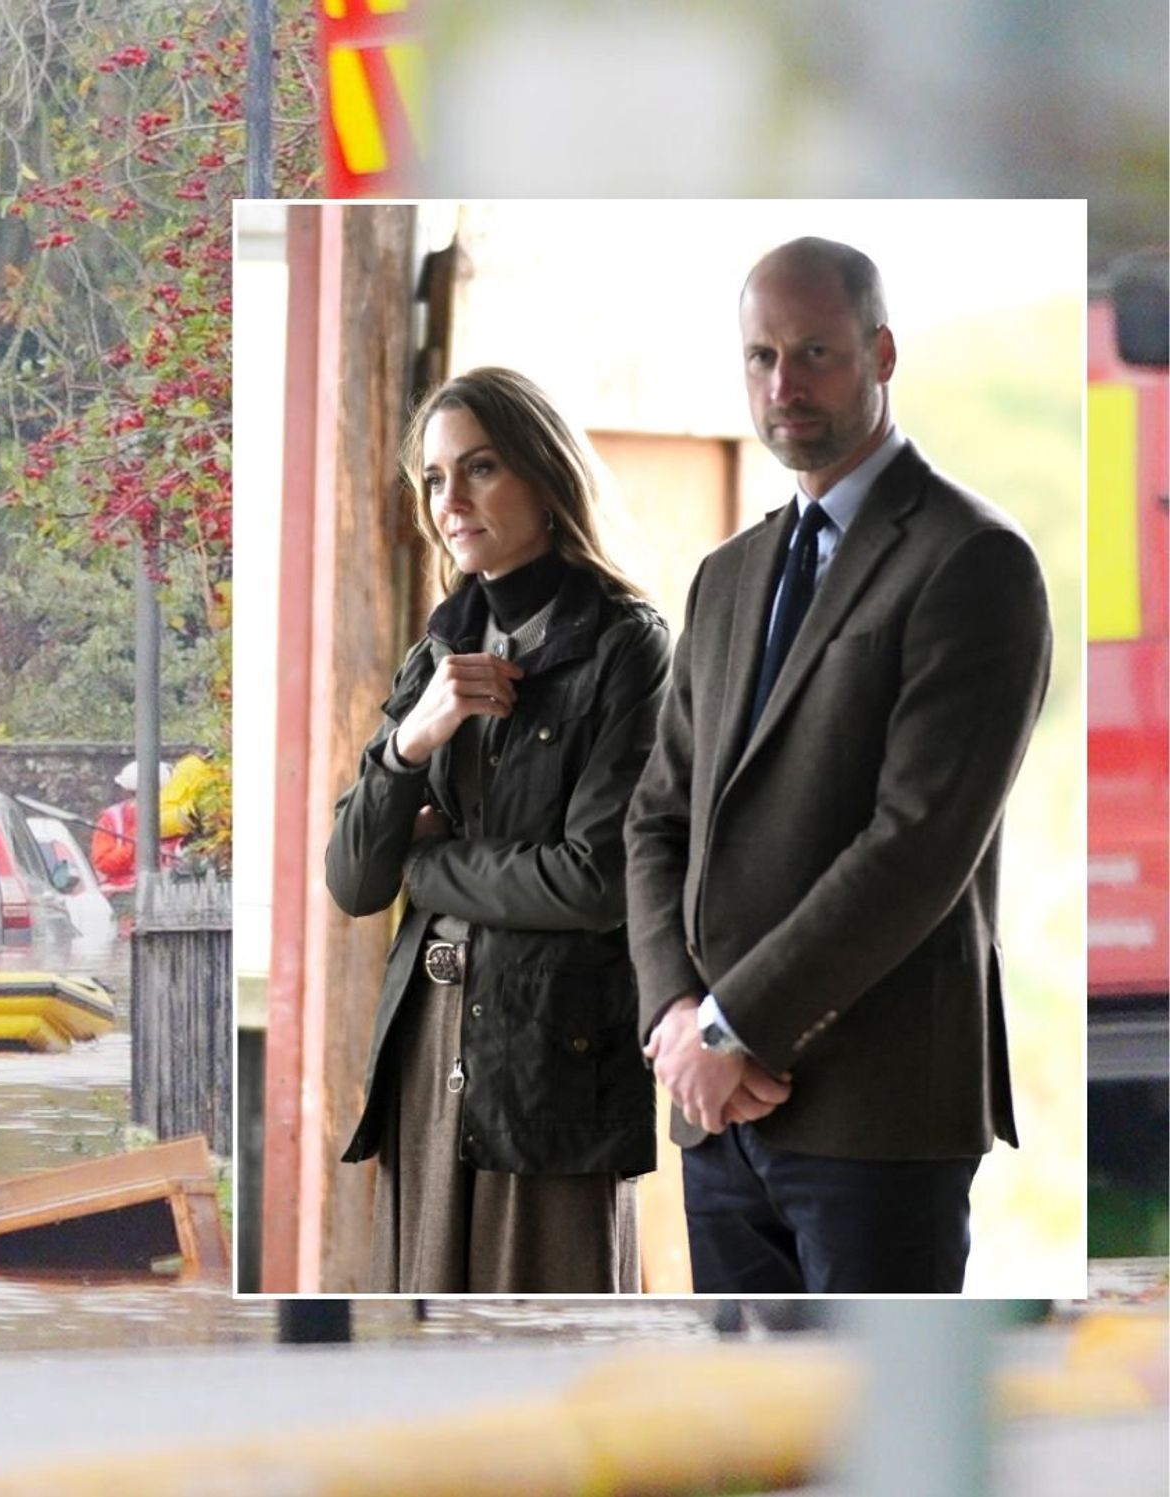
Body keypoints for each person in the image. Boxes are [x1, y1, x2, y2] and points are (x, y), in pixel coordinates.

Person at [624, 237, 1052, 1293]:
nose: (783, 385)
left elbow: (917, 846)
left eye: (813, 352)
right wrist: (677, 1019)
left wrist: (734, 1027)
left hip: (878, 1113)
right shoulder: (724, 577)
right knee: (744, 1442)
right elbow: (654, 822)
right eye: (760, 357)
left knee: (879, 1440)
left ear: (881, 353)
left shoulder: (970, 560)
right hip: (714, 1116)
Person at [325, 366, 669, 1293]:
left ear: (544, 476)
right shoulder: (437, 651)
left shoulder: (625, 648)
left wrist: (428, 868)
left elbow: (596, 880)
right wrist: (411, 741)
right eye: (435, 478)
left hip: (551, 1059)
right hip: (425, 1049)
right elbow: (355, 880)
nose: (451, 501)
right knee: (423, 1352)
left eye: (479, 469)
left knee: (556, 1340)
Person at [89, 759, 181, 895]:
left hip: (170, 891)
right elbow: (103, 864)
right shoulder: (112, 818)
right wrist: (133, 843)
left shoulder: (179, 816)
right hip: (124, 896)